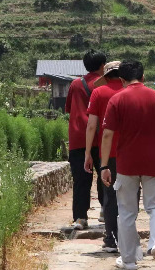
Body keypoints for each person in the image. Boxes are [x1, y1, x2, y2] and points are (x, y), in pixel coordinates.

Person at [100, 60, 155, 270]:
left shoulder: (117, 100)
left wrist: (104, 165)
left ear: (122, 80)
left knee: (126, 212)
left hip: (126, 164)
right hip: (153, 163)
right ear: (143, 77)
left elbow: (107, 134)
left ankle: (128, 261)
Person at [84, 61, 123, 253]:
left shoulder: (99, 93)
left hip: (108, 154)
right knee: (129, 196)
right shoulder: (129, 91)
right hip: (130, 153)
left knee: (110, 197)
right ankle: (127, 237)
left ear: (106, 77)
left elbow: (92, 125)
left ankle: (111, 239)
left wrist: (87, 153)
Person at [66, 49, 106, 230]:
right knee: (105, 176)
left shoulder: (75, 84)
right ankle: (106, 210)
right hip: (100, 139)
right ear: (102, 66)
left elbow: (69, 109)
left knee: (81, 180)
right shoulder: (104, 85)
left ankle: (80, 218)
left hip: (78, 139)